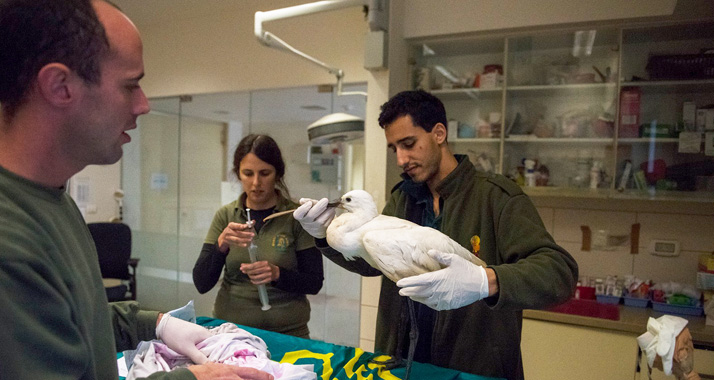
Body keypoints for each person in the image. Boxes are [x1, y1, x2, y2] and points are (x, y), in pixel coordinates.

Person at [0, 1, 272, 379]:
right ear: (60, 87)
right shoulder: (10, 245)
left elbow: (80, 316)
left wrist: (156, 324)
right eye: (130, 86)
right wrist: (193, 378)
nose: (143, 105)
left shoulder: (53, 199)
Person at [293, 90, 579, 380]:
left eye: (409, 144)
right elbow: (371, 263)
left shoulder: (496, 198)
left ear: (439, 133)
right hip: (406, 363)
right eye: (394, 149)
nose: (402, 159)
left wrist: (485, 281)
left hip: (472, 366)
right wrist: (324, 236)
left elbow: (560, 274)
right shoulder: (402, 199)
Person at [194, 134, 323, 339]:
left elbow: (314, 283)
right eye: (247, 173)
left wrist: (277, 274)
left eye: (264, 173)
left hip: (287, 334)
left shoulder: (296, 217)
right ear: (238, 174)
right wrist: (221, 245)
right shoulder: (226, 216)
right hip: (231, 334)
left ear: (277, 173)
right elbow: (202, 283)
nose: (256, 183)